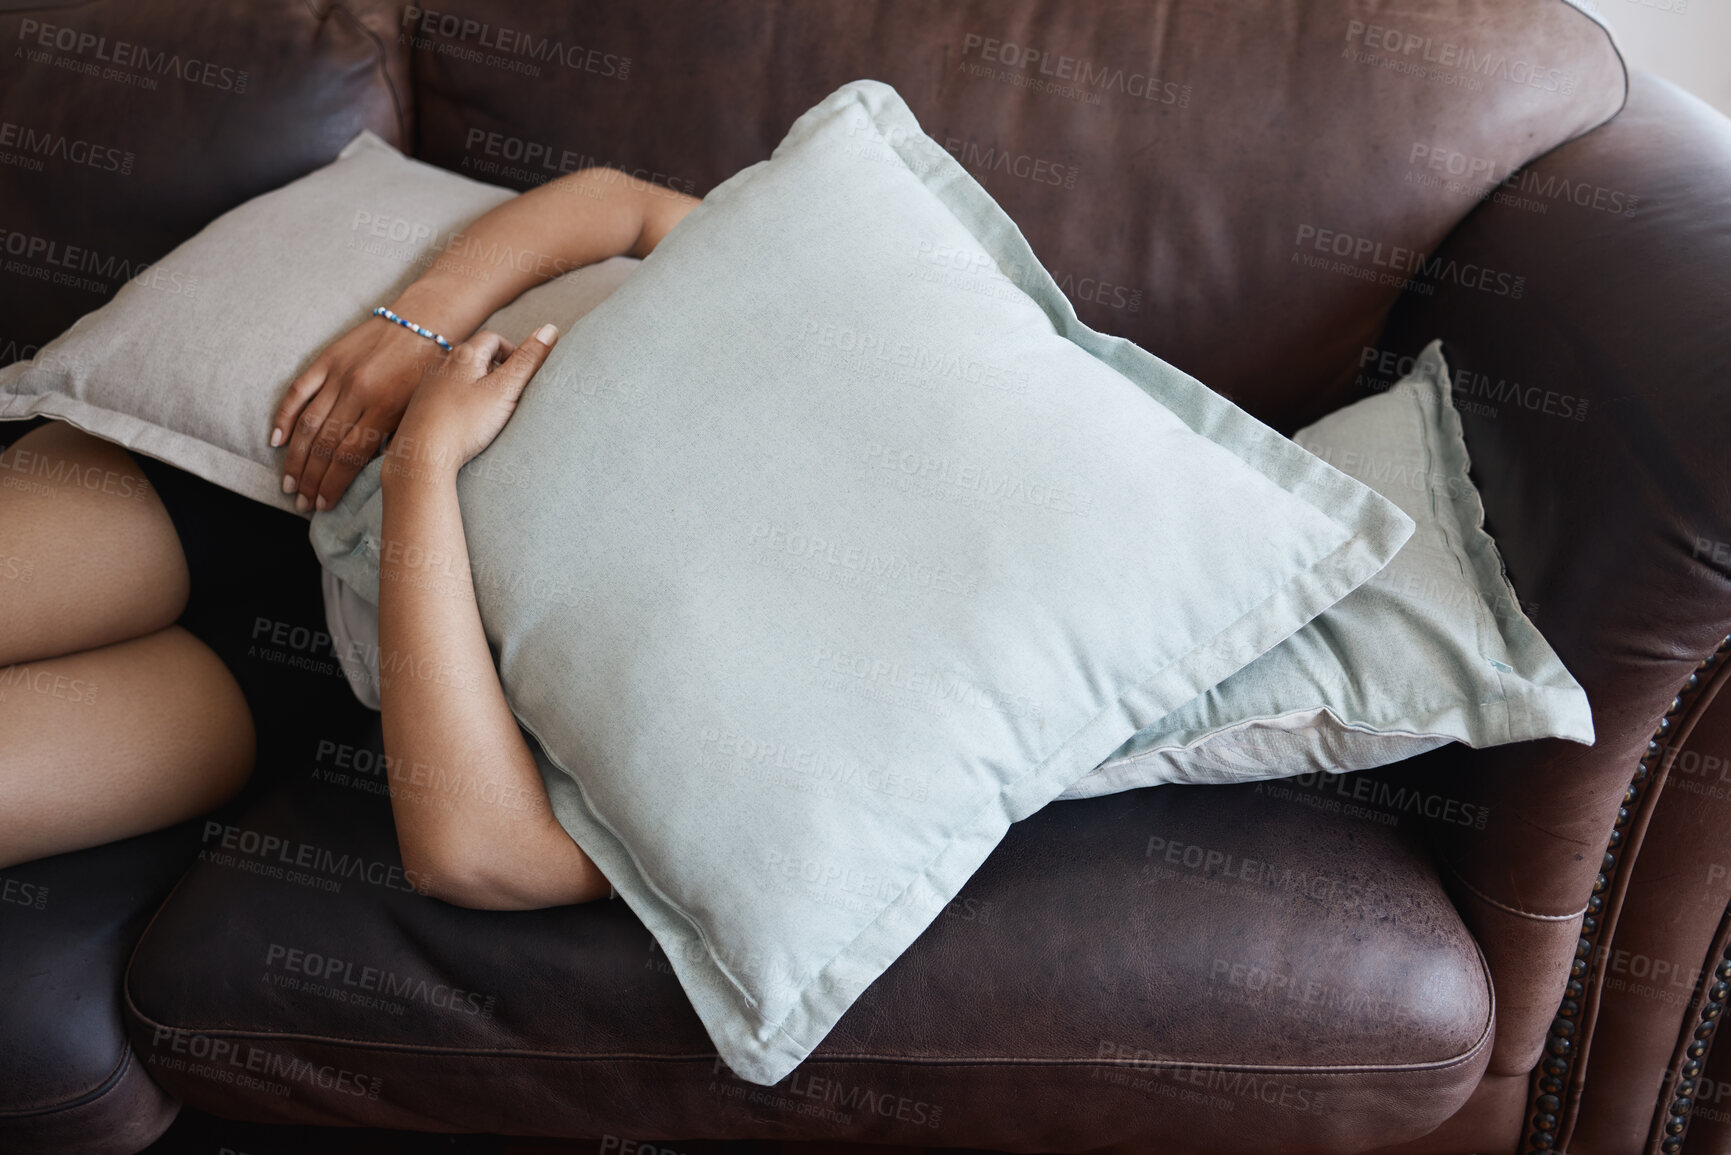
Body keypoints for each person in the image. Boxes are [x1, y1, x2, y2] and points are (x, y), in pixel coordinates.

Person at [0, 165, 700, 895]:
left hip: (331, 663)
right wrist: (420, 326)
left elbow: (488, 856)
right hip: (246, 458)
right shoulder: (817, 304)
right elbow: (626, 204)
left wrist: (424, 465)